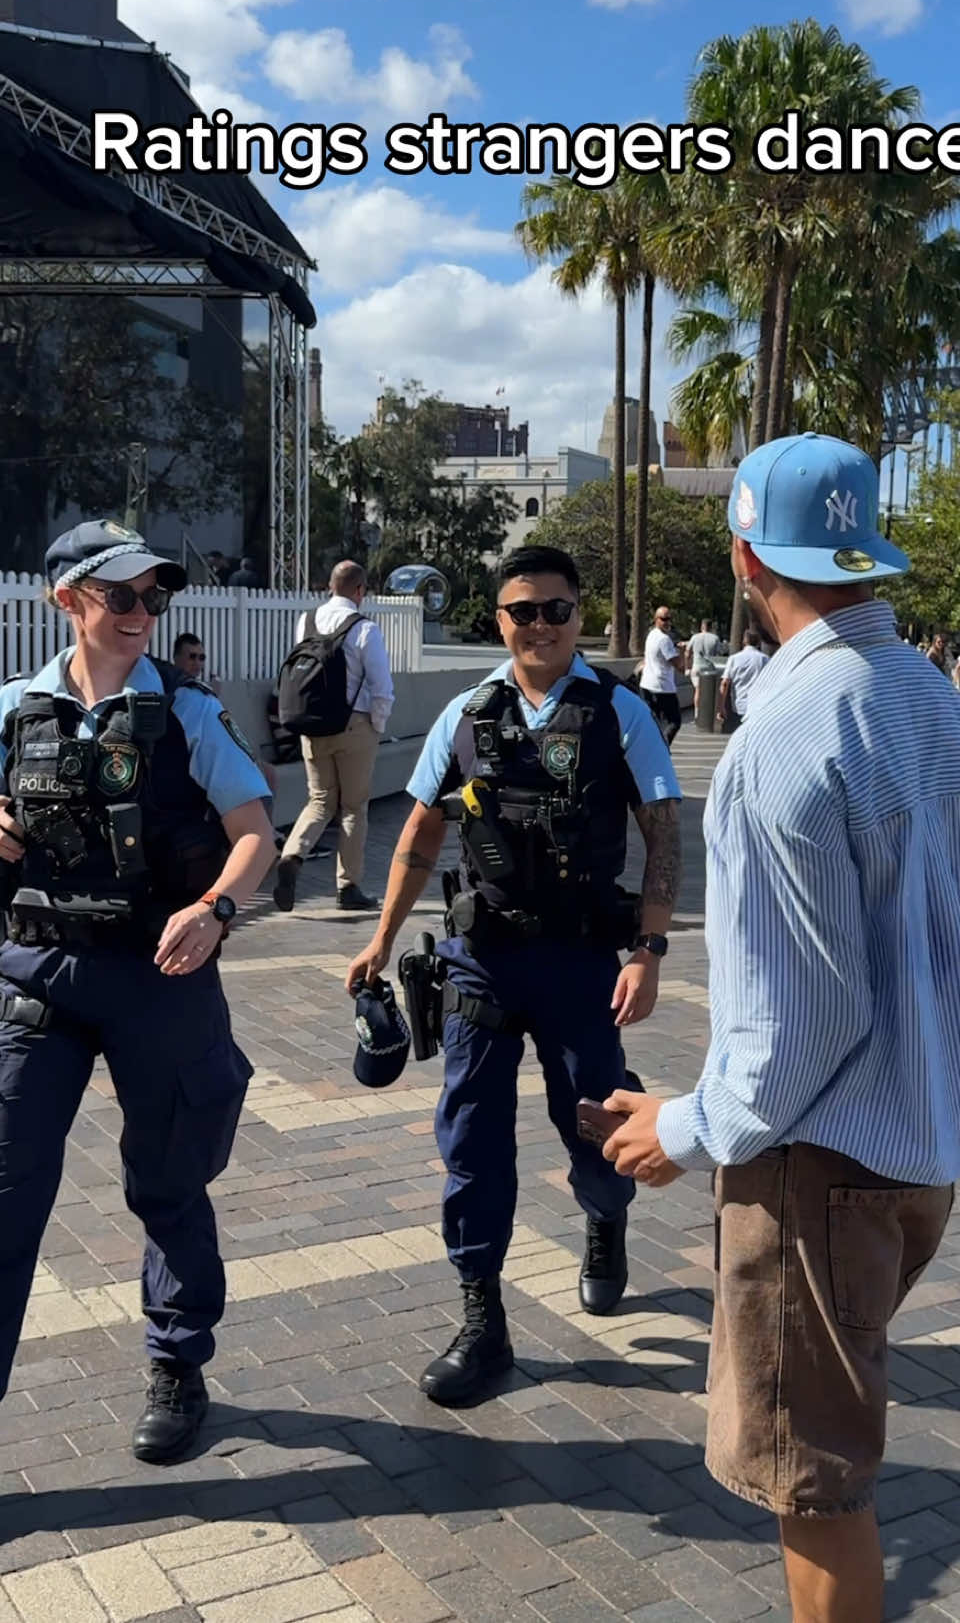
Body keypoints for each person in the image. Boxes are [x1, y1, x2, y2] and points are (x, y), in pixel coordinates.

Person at [598, 432, 960, 1623]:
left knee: (815, 1480)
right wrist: (913, 986)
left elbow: (798, 1018)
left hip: (814, 1167)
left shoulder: (781, 739)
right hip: (921, 1148)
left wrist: (684, 1127)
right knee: (826, 1454)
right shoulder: (939, 705)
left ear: (746, 556)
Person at [346, 545, 681, 1405]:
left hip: (578, 965)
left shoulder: (620, 712)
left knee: (599, 1131)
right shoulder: (468, 711)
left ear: (580, 614)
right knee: (471, 1142)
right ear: (498, 618)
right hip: (482, 962)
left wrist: (648, 950)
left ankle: (605, 1218)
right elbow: (420, 833)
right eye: (521, 610)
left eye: (556, 609)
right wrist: (380, 939)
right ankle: (482, 1319)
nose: (539, 625)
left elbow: (665, 833)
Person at [0, 521, 275, 1462]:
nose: (141, 616)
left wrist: (214, 911)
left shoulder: (189, 712)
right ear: (67, 600)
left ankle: (177, 1360)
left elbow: (253, 832)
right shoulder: (12, 712)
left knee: (168, 1180)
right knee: (6, 1188)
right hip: (41, 976)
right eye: (119, 596)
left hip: (162, 976)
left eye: (154, 598)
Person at [274, 560, 395, 912]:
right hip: (354, 726)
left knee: (320, 800)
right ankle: (348, 887)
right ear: (360, 590)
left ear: (330, 585)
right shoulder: (364, 629)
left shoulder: (306, 622)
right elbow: (381, 687)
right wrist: (378, 725)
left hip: (312, 726)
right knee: (353, 807)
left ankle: (292, 856)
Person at [640, 606, 684, 743]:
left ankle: (649, 749)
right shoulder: (664, 639)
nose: (667, 622)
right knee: (674, 721)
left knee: (652, 722)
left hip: (647, 685)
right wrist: (684, 652)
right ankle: (662, 748)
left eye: (669, 619)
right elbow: (679, 666)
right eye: (663, 619)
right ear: (656, 620)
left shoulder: (651, 635)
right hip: (663, 687)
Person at [717, 629, 768, 731]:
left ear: (744, 641)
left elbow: (725, 683)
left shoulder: (734, 658)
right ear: (758, 642)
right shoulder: (764, 659)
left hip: (738, 704)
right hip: (758, 705)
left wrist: (721, 707)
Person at [687, 619, 724, 715]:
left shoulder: (695, 637)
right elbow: (719, 653)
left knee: (698, 690)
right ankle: (708, 712)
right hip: (709, 667)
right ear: (711, 627)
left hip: (697, 666)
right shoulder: (715, 638)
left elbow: (687, 653)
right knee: (709, 691)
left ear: (702, 627)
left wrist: (687, 667)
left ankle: (697, 713)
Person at [172, 631, 222, 697]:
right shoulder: (164, 685)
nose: (197, 663)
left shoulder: (202, 689)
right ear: (176, 657)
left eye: (201, 657)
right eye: (192, 657)